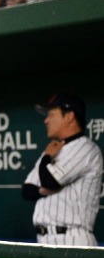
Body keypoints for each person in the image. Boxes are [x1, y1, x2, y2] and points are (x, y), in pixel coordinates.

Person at [22, 93, 103, 246]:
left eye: (51, 114)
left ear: (69, 117)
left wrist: (47, 158)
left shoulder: (85, 148)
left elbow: (50, 182)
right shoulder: (53, 149)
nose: (46, 120)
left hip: (72, 239)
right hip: (44, 238)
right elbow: (27, 190)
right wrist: (41, 190)